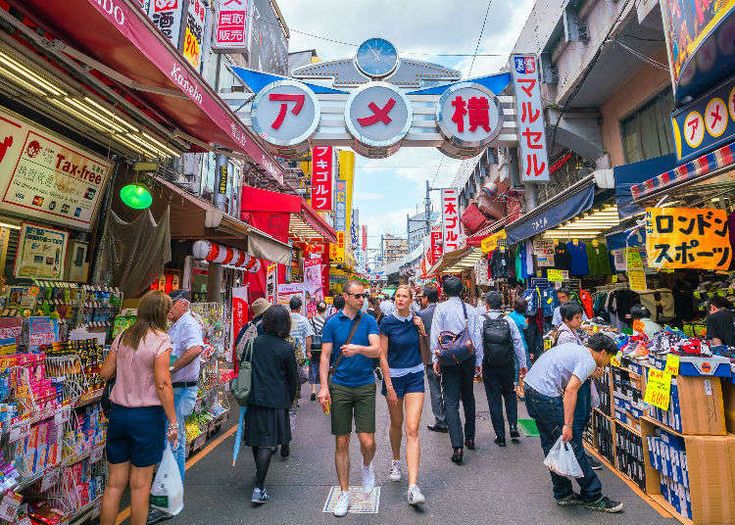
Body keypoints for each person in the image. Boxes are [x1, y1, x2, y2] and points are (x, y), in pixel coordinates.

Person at [99, 291, 178, 525]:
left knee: (113, 485)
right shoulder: (161, 340)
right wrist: (173, 421)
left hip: (119, 415)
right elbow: (163, 384)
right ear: (162, 313)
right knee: (141, 485)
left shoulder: (124, 336)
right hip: (147, 418)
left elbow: (105, 373)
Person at [524, 333, 623, 513]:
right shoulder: (589, 361)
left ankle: (563, 493)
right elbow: (571, 390)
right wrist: (567, 425)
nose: (608, 362)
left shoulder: (579, 351)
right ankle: (593, 495)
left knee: (551, 443)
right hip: (545, 396)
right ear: (602, 353)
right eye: (609, 357)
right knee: (570, 443)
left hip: (531, 389)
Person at [318, 280, 381, 517]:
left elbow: (377, 350)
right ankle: (344, 493)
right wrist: (324, 387)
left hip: (365, 385)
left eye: (363, 296)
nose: (361, 299)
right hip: (340, 387)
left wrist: (358, 349)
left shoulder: (369, 320)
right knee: (341, 441)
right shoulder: (332, 323)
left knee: (367, 441)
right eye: (357, 296)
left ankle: (367, 465)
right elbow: (324, 357)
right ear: (345, 296)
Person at [378, 285, 427, 506]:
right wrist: (388, 384)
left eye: (404, 296)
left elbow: (425, 346)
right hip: (394, 379)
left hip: (415, 375)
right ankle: (396, 460)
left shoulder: (416, 320)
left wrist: (422, 329)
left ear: (411, 300)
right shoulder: (387, 322)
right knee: (396, 422)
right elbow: (383, 355)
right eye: (397, 296)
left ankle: (413, 486)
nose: (400, 299)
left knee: (413, 428)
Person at [245, 305, 299, 504]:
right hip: (276, 400)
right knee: (268, 444)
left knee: (257, 440)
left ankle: (259, 475)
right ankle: (259, 488)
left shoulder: (254, 342)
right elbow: (293, 378)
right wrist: (291, 398)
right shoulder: (285, 347)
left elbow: (245, 365)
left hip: (254, 397)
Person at [429, 276, 482, 465]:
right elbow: (476, 336)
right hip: (468, 357)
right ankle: (470, 437)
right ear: (461, 291)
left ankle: (457, 446)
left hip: (448, 359)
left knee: (450, 400)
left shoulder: (441, 309)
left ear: (444, 291)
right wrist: (479, 361)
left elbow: (436, 334)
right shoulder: (471, 310)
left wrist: (435, 358)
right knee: (468, 396)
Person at [553, 302, 603, 471]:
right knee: (578, 419)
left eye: (580, 317)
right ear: (567, 319)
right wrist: (591, 371)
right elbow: (573, 364)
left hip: (579, 381)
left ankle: (578, 452)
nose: (580, 320)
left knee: (580, 418)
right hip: (577, 384)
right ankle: (577, 455)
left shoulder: (571, 332)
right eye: (576, 318)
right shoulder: (566, 337)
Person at [479, 292, 528, 447]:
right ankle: (513, 426)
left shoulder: (481, 321)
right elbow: (518, 343)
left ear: (487, 304)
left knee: (494, 399)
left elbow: (478, 345)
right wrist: (523, 364)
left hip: (489, 366)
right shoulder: (509, 320)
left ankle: (500, 436)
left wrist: (478, 365)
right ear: (501, 305)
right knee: (510, 394)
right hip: (507, 365)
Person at [167, 289, 204, 483]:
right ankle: (172, 484)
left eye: (171, 304)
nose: (168, 309)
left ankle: (173, 488)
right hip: (177, 388)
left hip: (182, 388)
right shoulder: (177, 324)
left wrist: (172, 367)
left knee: (175, 440)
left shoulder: (188, 324)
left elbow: (196, 349)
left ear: (183, 304)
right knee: (173, 438)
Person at [418, 285, 446, 433]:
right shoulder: (444, 310)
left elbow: (421, 336)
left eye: (422, 297)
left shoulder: (422, 314)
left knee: (435, 389)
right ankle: (449, 417)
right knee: (448, 388)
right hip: (448, 355)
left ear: (427, 298)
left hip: (430, 357)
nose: (421, 300)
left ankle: (440, 420)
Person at [507, 298, 530, 386]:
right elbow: (526, 330)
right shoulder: (523, 319)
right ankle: (525, 387)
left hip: (511, 345)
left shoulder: (509, 316)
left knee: (514, 366)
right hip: (522, 345)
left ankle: (515, 386)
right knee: (525, 367)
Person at [309, 302, 328, 401]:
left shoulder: (311, 320)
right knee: (323, 366)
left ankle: (313, 390)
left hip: (313, 347)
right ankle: (323, 387)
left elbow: (309, 334)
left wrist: (308, 349)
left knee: (313, 366)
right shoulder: (327, 320)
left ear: (316, 309)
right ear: (325, 309)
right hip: (324, 346)